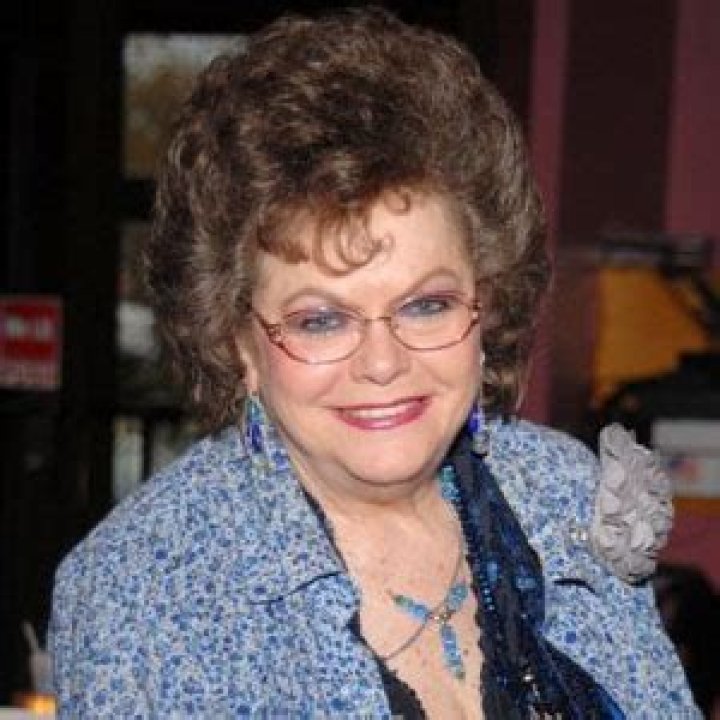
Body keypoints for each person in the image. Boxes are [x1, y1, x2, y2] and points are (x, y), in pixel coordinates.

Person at [50, 8, 699, 718]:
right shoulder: (146, 589)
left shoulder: (566, 496)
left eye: (426, 305)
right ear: (237, 343)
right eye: (321, 320)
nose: (384, 363)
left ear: (487, 301)